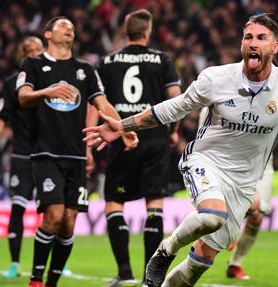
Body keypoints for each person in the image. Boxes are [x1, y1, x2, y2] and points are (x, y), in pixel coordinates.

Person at [83, 14, 278, 287]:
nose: (252, 43)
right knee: (211, 216)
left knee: (198, 265)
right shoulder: (215, 79)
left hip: (245, 181)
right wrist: (121, 126)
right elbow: (172, 108)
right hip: (206, 161)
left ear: (275, 47)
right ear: (242, 45)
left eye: (261, 37)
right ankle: (164, 251)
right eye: (248, 37)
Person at [16, 16, 134, 287]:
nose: (69, 29)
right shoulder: (32, 64)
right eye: (62, 26)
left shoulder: (85, 70)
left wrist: (125, 129)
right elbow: (22, 97)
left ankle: (51, 282)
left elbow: (102, 104)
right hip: (46, 154)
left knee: (68, 224)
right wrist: (47, 91)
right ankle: (35, 280)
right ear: (47, 34)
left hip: (77, 156)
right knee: (54, 215)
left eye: (71, 27)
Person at [97, 9, 181, 287]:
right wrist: (173, 131)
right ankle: (149, 279)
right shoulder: (163, 59)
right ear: (148, 31)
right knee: (154, 204)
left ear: (125, 30)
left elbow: (96, 101)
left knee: (113, 203)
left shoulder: (108, 61)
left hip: (122, 138)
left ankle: (124, 273)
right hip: (155, 139)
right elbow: (175, 99)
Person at [0, 36, 44, 279]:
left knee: (53, 211)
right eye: (28, 51)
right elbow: (0, 116)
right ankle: (15, 263)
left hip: (48, 154)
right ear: (22, 55)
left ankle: (50, 261)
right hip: (21, 154)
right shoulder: (13, 84)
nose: (32, 54)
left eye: (36, 50)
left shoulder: (56, 77)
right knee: (18, 209)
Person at [225, 115, 278, 280]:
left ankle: (235, 264)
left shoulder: (276, 93)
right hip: (232, 160)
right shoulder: (231, 92)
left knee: (257, 218)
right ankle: (231, 228)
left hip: (264, 164)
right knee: (252, 204)